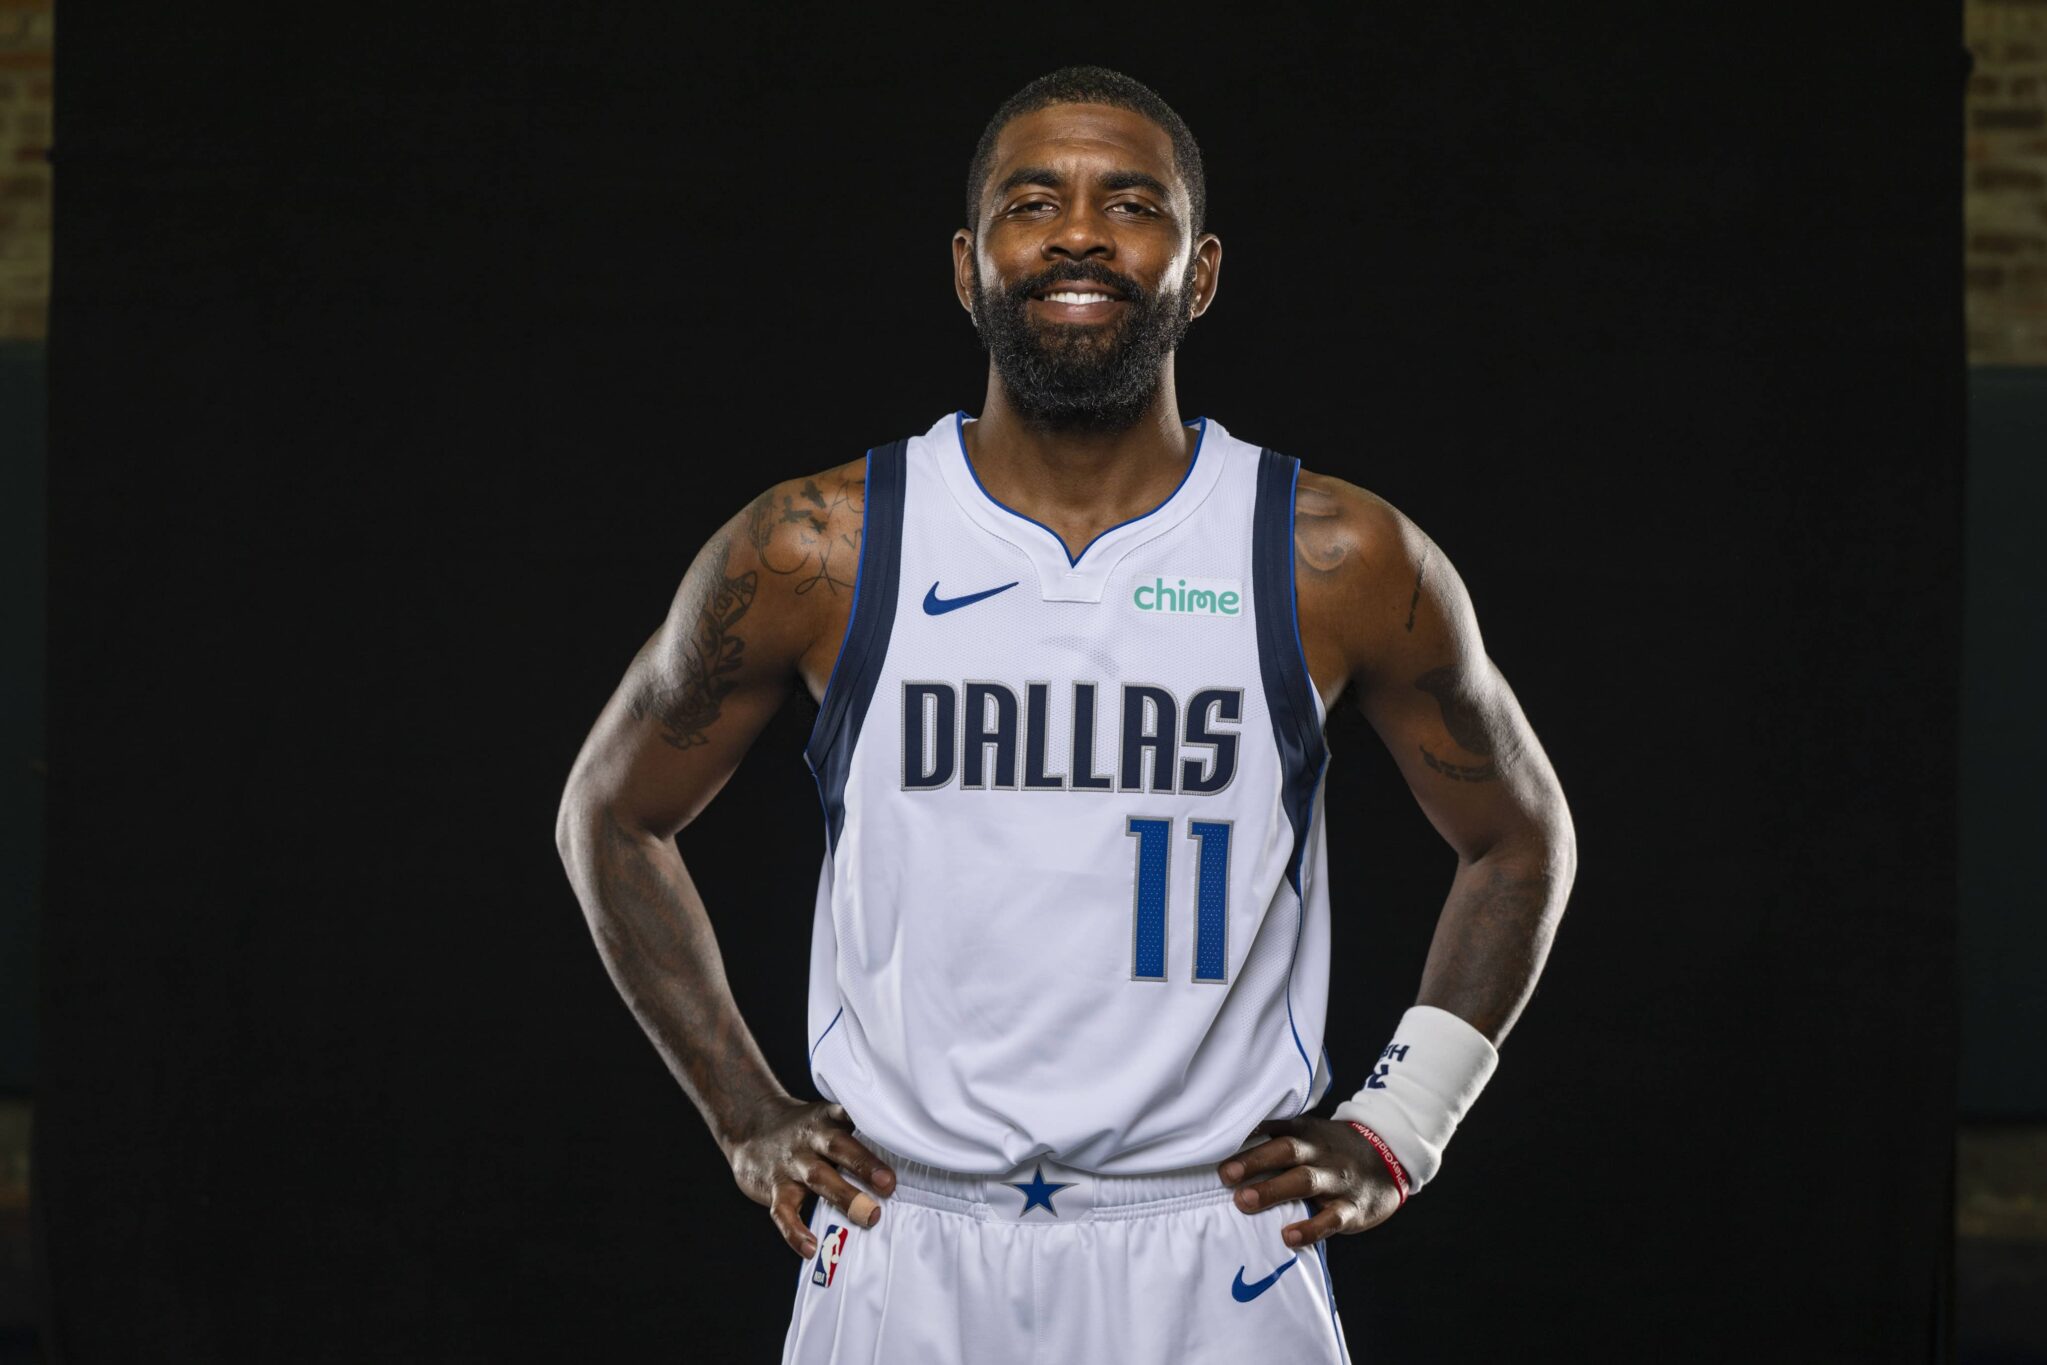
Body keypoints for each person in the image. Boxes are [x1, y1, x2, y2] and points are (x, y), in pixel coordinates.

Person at [555, 65, 1576, 1364]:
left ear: (1199, 271)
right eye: (1034, 201)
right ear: (969, 264)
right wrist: (745, 1112)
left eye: (1130, 202)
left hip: (1213, 1245)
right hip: (906, 1235)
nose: (1081, 231)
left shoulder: (1333, 554)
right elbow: (611, 811)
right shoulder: (824, 548)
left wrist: (1401, 1123)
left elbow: (1521, 836)